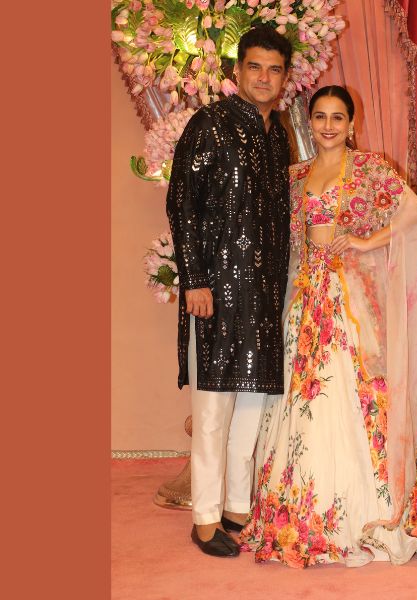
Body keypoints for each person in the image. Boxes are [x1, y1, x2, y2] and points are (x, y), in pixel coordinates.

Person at [239, 86, 417, 568]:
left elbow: (412, 213)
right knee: (302, 399)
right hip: (306, 298)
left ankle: (378, 508)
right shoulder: (295, 175)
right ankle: (305, 511)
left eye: (338, 117)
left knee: (359, 393)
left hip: (349, 299)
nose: (328, 125)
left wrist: (368, 242)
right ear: (309, 122)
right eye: (320, 116)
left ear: (352, 124)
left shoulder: (369, 168)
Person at [165, 25, 292, 558]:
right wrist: (194, 278)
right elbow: (182, 203)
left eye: (274, 69)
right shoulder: (210, 124)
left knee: (253, 406)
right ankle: (204, 519)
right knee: (214, 409)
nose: (264, 78)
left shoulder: (277, 135)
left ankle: (238, 508)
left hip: (264, 293)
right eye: (254, 67)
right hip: (217, 289)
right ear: (238, 72)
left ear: (284, 78)